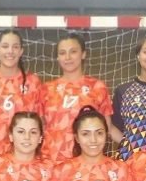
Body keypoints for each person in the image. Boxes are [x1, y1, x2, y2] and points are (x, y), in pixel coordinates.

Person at [41, 33, 117, 163]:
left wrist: (134, 146)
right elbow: (39, 129)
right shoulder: (46, 89)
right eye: (62, 53)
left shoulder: (98, 87)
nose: (68, 57)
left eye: (73, 51)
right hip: (51, 163)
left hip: (86, 167)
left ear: (83, 54)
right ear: (58, 57)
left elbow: (108, 129)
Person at [0, 30, 43, 159]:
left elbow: (40, 122)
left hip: (21, 157)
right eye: (5, 46)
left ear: (21, 51)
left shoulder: (33, 82)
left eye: (15, 47)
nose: (10, 51)